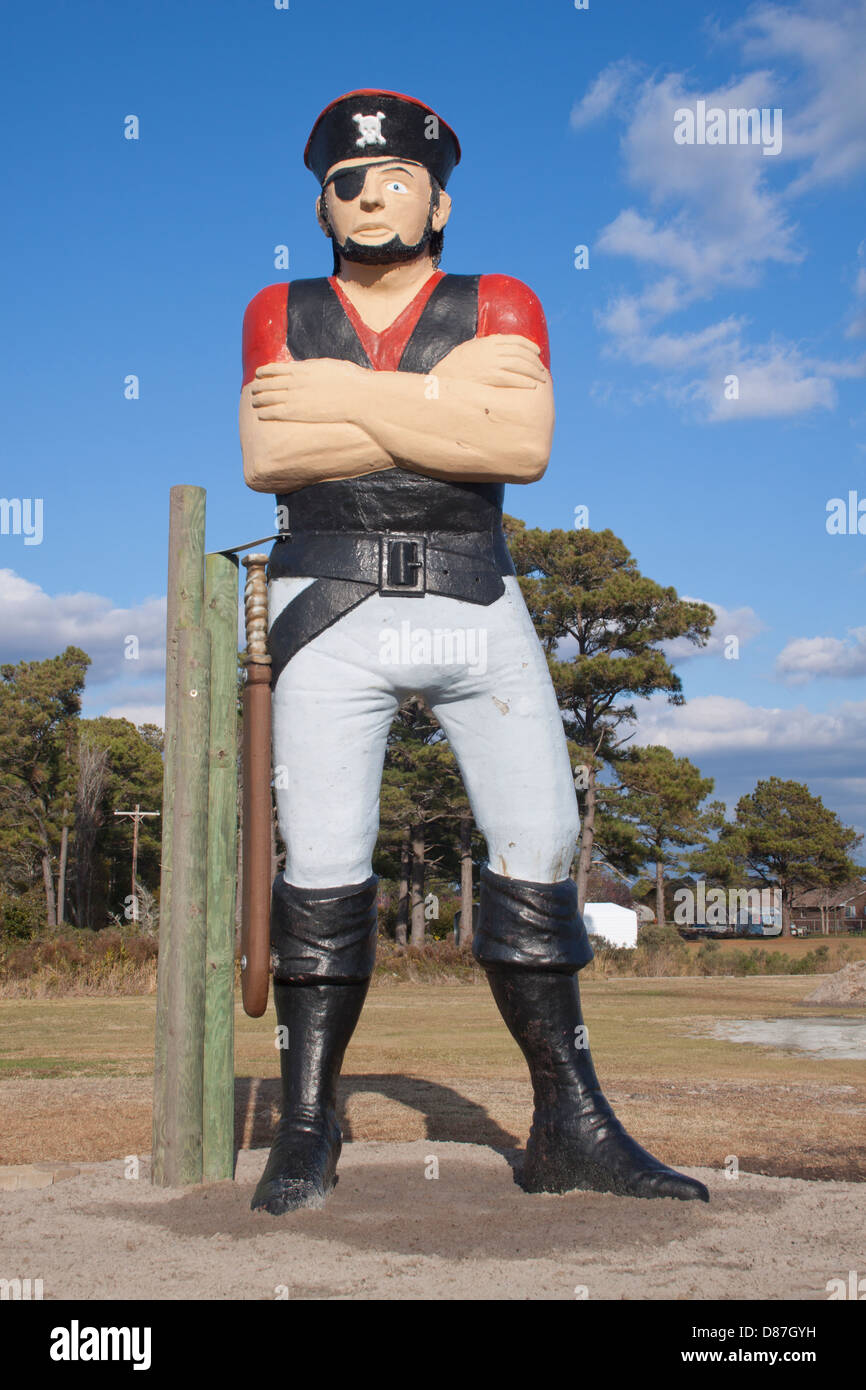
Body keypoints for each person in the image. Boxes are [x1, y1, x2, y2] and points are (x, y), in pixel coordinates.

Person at [240, 89, 709, 1213]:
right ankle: (307, 1124)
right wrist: (444, 409)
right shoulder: (277, 307)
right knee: (322, 858)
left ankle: (570, 1121)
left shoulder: (500, 299)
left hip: (474, 591)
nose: (368, 193)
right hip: (328, 601)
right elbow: (269, 449)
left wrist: (346, 398)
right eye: (346, 181)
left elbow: (523, 444)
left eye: (393, 176)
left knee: (540, 843)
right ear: (321, 203)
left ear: (437, 195)